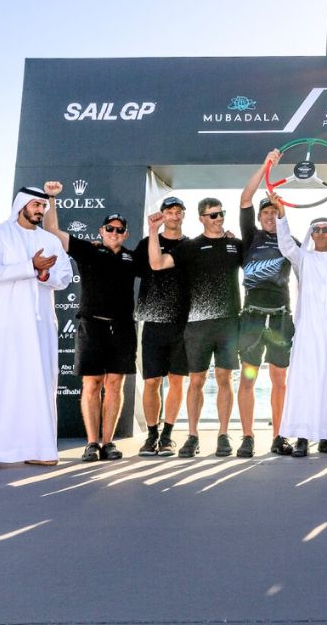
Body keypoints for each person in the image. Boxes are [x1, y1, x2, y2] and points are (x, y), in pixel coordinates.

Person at [0, 187, 73, 472]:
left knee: (38, 384)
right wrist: (30, 265)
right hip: (4, 324)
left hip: (39, 325)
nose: (40, 210)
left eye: (43, 206)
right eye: (36, 204)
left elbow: (63, 277)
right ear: (21, 206)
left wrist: (43, 273)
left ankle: (39, 448)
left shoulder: (49, 240)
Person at [44, 184, 145, 462]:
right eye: (109, 229)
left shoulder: (131, 258)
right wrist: (52, 198)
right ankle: (91, 443)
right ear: (101, 231)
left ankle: (109, 442)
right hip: (92, 326)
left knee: (114, 384)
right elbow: (53, 232)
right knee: (92, 383)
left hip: (122, 328)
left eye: (119, 230)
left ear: (126, 234)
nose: (114, 233)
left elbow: (158, 263)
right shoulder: (88, 250)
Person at [149, 198, 244, 458]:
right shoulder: (190, 246)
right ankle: (192, 436)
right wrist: (153, 232)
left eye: (221, 213)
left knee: (225, 380)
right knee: (197, 382)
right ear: (201, 218)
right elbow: (157, 264)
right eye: (212, 215)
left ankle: (223, 435)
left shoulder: (235, 245)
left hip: (228, 324)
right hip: (197, 325)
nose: (219, 218)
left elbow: (259, 262)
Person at [270, 191, 327, 457]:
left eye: (325, 230)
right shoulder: (303, 259)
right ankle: (302, 437)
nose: (320, 233)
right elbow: (286, 245)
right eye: (316, 230)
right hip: (308, 333)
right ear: (312, 234)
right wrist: (282, 212)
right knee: (305, 383)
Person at [238, 150, 297, 456]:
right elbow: (246, 197)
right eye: (266, 213)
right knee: (248, 376)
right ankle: (247, 436)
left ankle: (279, 435)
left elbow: (308, 272)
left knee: (279, 378)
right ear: (260, 217)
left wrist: (283, 207)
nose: (270, 216)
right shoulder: (250, 238)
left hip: (281, 318)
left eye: (275, 212)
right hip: (251, 318)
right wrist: (266, 167)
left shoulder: (290, 242)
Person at [133, 195, 189, 458]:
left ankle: (167, 436)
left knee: (177, 381)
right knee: (152, 381)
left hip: (183, 323)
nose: (174, 215)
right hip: (153, 322)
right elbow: (128, 266)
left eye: (179, 211)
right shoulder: (147, 243)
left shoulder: (190, 246)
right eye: (170, 211)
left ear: (183, 216)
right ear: (162, 215)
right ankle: (151, 436)